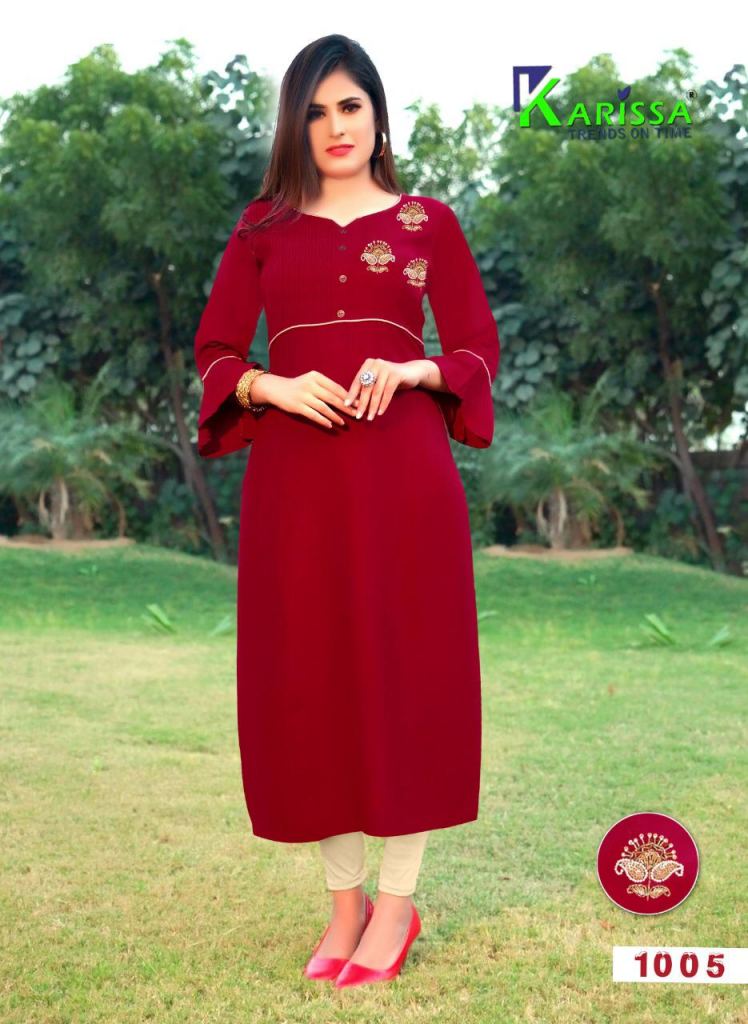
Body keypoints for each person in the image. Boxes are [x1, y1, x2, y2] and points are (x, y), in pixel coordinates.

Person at [193, 33, 500, 988]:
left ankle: (396, 905)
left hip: (404, 481)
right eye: (316, 111)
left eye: (350, 106)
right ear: (296, 125)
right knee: (310, 680)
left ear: (377, 114)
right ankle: (343, 906)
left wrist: (413, 369)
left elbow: (478, 349)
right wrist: (271, 387)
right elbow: (214, 352)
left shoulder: (427, 224)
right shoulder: (261, 230)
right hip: (297, 487)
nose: (335, 126)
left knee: (407, 675)